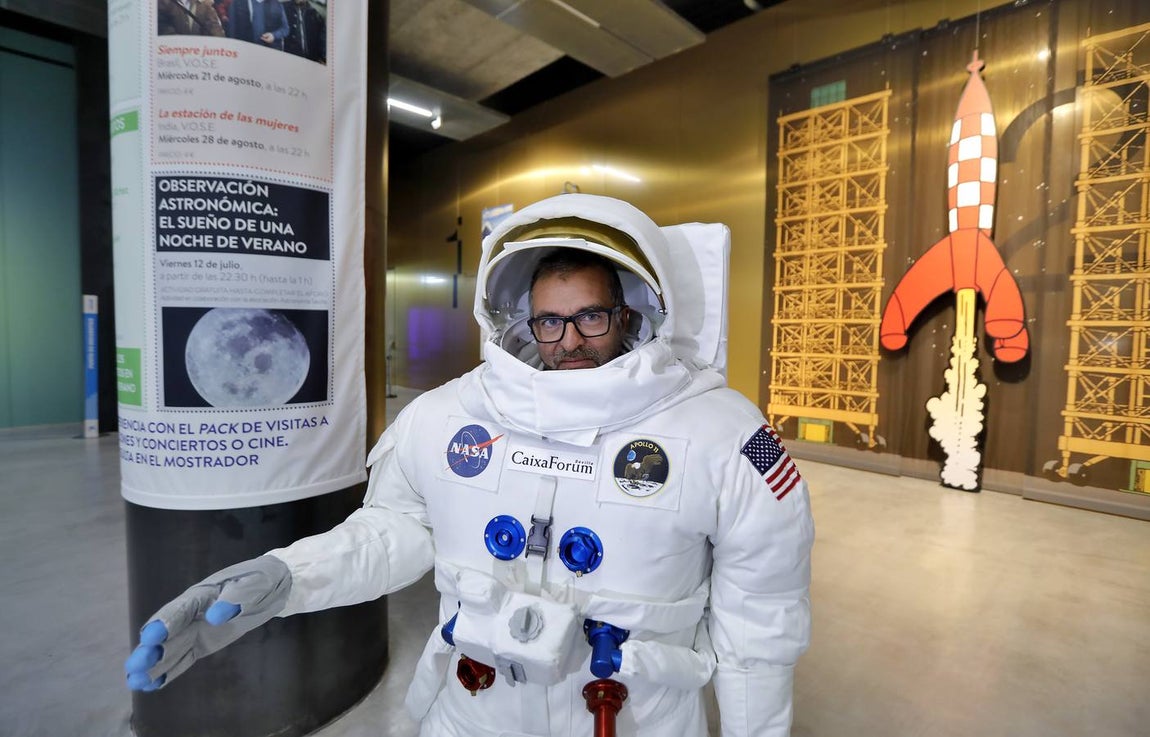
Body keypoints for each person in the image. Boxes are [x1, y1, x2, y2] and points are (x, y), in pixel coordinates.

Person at [125, 194, 815, 736]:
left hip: (634, 717)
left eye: (591, 317)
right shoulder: (448, 415)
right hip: (472, 710)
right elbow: (394, 530)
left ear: (632, 313)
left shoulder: (726, 433)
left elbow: (760, 621)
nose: (569, 340)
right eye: (550, 320)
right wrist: (284, 578)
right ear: (520, 320)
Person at [157, 0, 225, 37]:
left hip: (200, 55)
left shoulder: (205, 4)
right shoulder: (161, 3)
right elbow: (164, 30)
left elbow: (215, 30)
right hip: (173, 54)